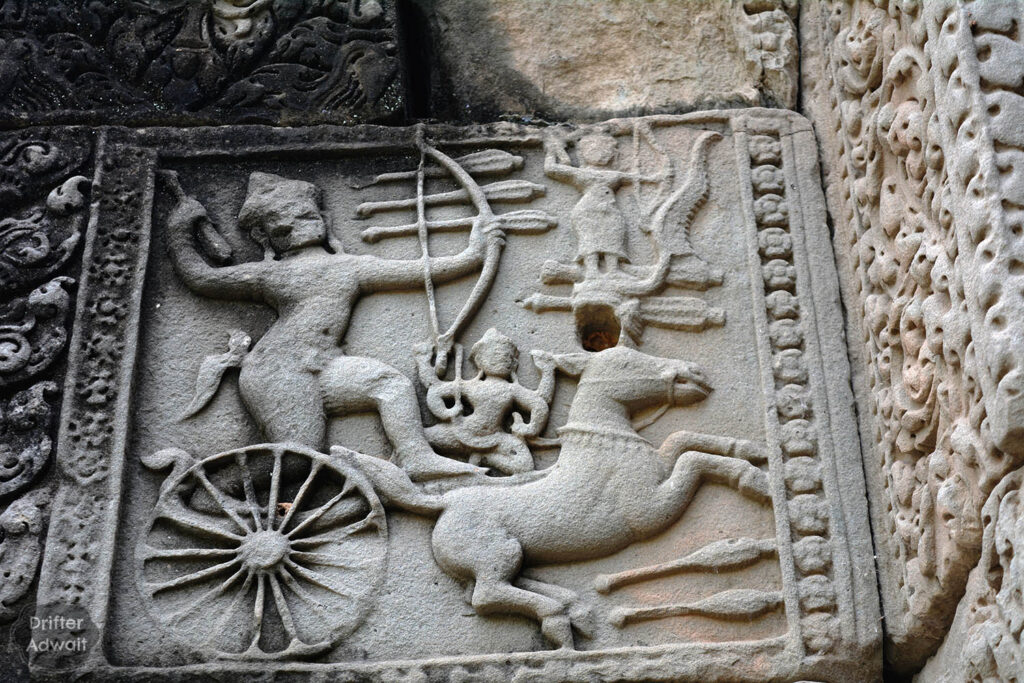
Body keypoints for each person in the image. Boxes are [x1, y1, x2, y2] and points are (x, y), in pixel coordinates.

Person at [164, 170, 504, 480]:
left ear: (323, 220)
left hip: (324, 365)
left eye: (305, 217)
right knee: (299, 458)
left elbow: (422, 272)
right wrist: (181, 231)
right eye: (283, 226)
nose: (297, 227)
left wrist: (474, 253)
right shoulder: (271, 274)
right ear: (266, 237)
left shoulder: (351, 267)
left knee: (390, 384)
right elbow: (203, 278)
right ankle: (212, 487)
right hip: (277, 369)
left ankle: (416, 457)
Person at [415, 328, 556, 475]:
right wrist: (446, 412)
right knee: (421, 439)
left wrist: (529, 428)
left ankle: (486, 459)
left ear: (513, 364)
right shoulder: (469, 386)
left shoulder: (512, 390)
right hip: (460, 431)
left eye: (507, 356)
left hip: (495, 439)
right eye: (495, 355)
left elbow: (539, 404)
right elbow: (435, 391)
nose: (501, 358)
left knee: (524, 465)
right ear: (480, 361)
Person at [544, 131, 634, 278]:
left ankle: (613, 270)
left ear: (613, 154)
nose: (600, 155)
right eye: (594, 151)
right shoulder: (580, 173)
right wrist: (551, 151)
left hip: (610, 210)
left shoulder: (614, 174)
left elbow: (638, 178)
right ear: (583, 154)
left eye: (606, 151)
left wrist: (660, 177)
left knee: (614, 235)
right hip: (587, 211)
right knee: (590, 239)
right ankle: (592, 271)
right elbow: (551, 169)